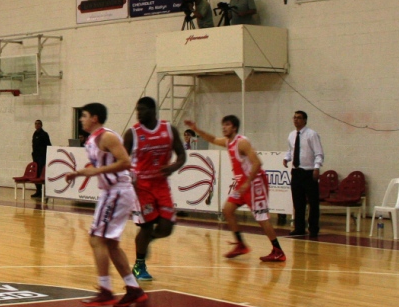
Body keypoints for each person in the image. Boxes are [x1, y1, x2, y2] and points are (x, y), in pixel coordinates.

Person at [65, 102, 147, 307]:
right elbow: (99, 166)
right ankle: (133, 289)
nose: (81, 119)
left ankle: (105, 290)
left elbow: (126, 162)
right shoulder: (92, 139)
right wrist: (79, 173)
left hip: (117, 191)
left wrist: (97, 171)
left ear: (94, 118)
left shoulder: (107, 136)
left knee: (96, 239)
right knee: (110, 243)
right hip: (112, 192)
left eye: (84, 116)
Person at [186, 116, 286, 262]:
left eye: (227, 125)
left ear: (234, 128)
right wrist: (196, 129)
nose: (224, 127)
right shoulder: (228, 142)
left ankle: (278, 251)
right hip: (243, 184)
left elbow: (257, 163)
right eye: (223, 125)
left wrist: (247, 183)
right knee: (227, 210)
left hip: (255, 183)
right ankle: (240, 244)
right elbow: (212, 139)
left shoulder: (242, 142)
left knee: (262, 219)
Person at [123, 97, 186, 281]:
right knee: (147, 225)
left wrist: (173, 167)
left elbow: (182, 155)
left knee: (167, 227)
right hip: (141, 186)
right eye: (137, 110)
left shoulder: (169, 129)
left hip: (161, 184)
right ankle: (139, 265)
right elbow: (122, 160)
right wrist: (127, 180)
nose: (138, 113)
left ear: (152, 110)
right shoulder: (132, 133)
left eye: (141, 110)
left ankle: (147, 240)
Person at [284, 110, 324, 238]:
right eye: (294, 117)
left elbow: (319, 153)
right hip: (296, 171)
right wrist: (286, 158)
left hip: (309, 172)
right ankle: (299, 227)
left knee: (313, 202)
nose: (296, 120)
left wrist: (316, 168)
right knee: (298, 202)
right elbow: (291, 150)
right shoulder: (291, 135)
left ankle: (313, 228)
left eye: (299, 118)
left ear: (305, 120)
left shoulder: (312, 134)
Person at [31, 120, 51, 199]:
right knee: (35, 173)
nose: (37, 125)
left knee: (40, 173)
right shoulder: (34, 134)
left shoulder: (44, 134)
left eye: (38, 124)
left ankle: (43, 191)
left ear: (41, 125)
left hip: (42, 157)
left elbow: (48, 145)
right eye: (35, 124)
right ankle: (38, 190)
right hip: (35, 156)